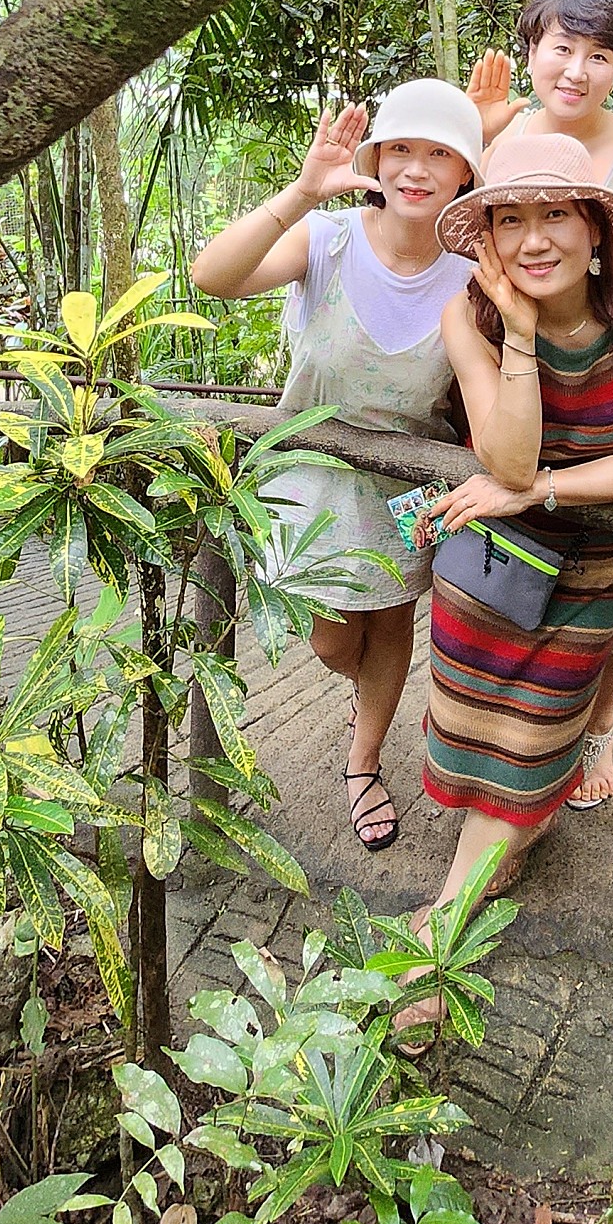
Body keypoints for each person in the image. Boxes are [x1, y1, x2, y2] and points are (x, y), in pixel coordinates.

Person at [396, 131, 613, 1039]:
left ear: (598, 226)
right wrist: (520, 332)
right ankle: (508, 845)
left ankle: (445, 926)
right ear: (485, 236)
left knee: (539, 725)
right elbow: (510, 451)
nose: (534, 239)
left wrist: (546, 490)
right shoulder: (469, 318)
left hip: (593, 554)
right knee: (477, 715)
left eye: (555, 213)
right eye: (510, 218)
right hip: (493, 560)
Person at [189, 80, 484, 854]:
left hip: (407, 483)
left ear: (465, 174)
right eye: (402, 150)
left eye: (440, 154)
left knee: (389, 622)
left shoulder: (471, 272)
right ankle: (369, 706)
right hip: (309, 471)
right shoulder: (326, 238)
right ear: (376, 160)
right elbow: (211, 278)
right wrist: (299, 192)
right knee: (332, 642)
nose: (417, 170)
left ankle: (363, 762)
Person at [465, 0, 613, 808]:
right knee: (514, 571)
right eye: (561, 48)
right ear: (531, 50)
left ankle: (596, 730)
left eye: (598, 55)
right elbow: (451, 240)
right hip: (521, 375)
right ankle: (516, 735)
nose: (576, 69)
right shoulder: (503, 137)